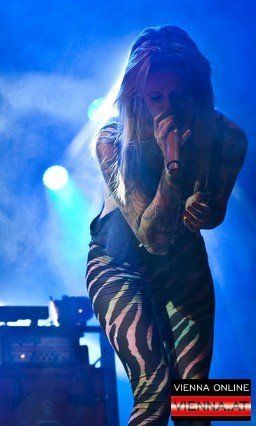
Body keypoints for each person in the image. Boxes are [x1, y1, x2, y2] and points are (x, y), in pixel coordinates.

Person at [85, 25, 248, 425]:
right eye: (155, 97)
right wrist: (173, 169)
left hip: (184, 265)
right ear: (136, 96)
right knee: (155, 391)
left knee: (200, 400)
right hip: (119, 266)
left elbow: (217, 214)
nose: (167, 108)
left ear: (196, 91)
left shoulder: (228, 136)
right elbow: (152, 238)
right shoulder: (111, 141)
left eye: (178, 96)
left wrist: (205, 211)